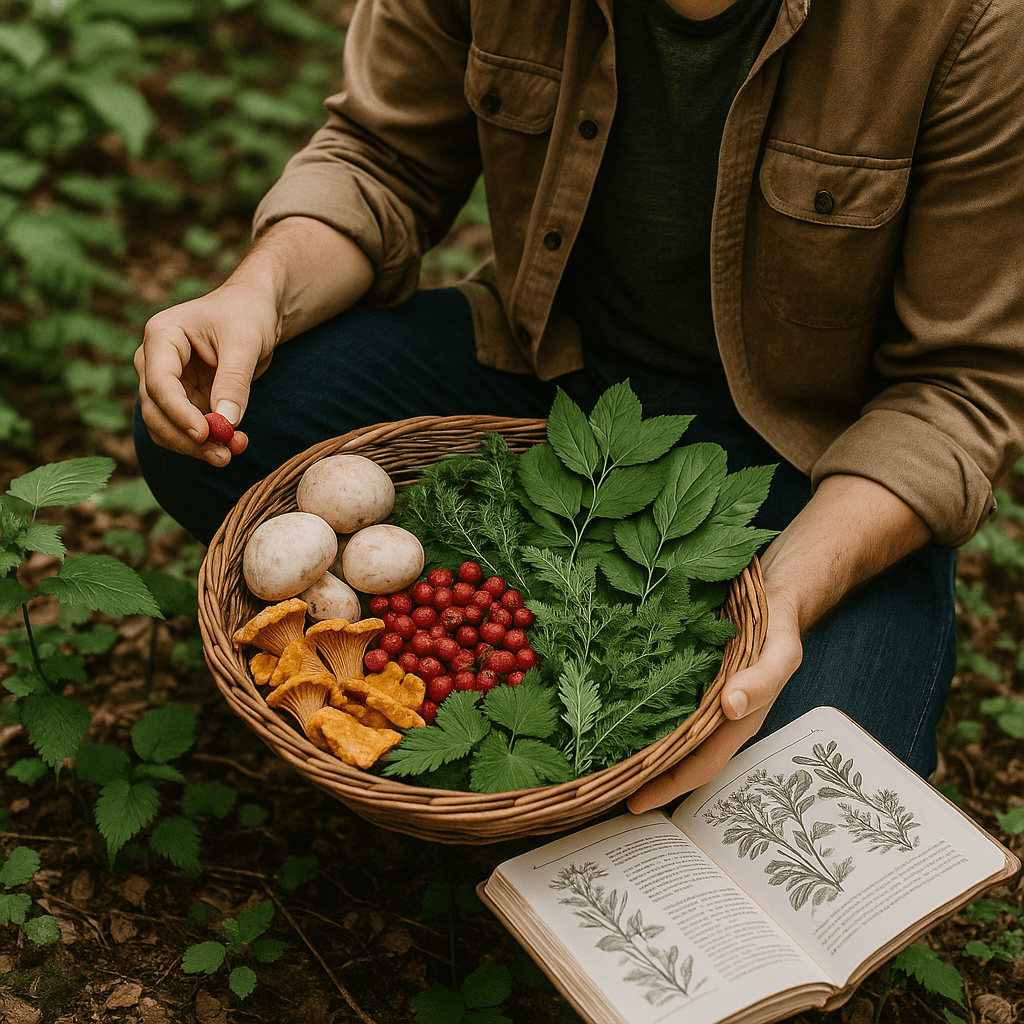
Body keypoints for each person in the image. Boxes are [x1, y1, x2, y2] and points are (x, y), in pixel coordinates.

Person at [134, 0, 1024, 811]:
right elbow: (383, 157)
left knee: (817, 799)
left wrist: (785, 596)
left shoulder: (971, 22)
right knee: (229, 418)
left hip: (814, 462)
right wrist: (260, 292)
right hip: (546, 372)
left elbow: (962, 385)